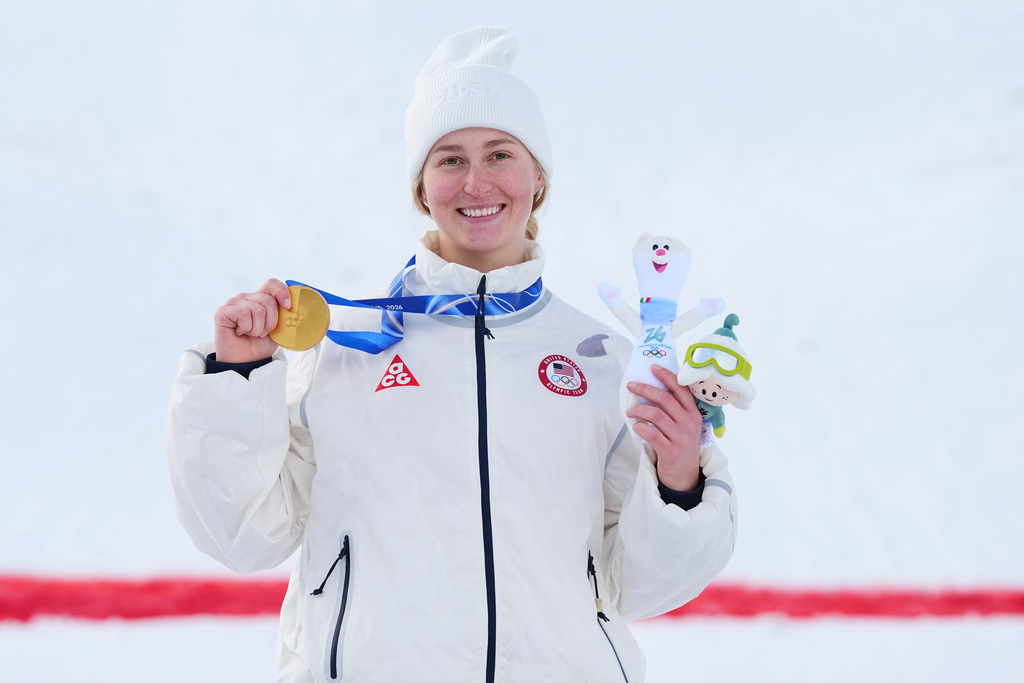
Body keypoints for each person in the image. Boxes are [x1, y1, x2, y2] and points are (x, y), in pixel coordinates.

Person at [167, 27, 737, 683]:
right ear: (420, 187)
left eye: (500, 154)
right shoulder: (345, 347)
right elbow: (243, 531)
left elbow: (646, 584)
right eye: (448, 159)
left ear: (538, 180)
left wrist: (679, 481)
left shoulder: (605, 360)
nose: (476, 182)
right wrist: (237, 375)